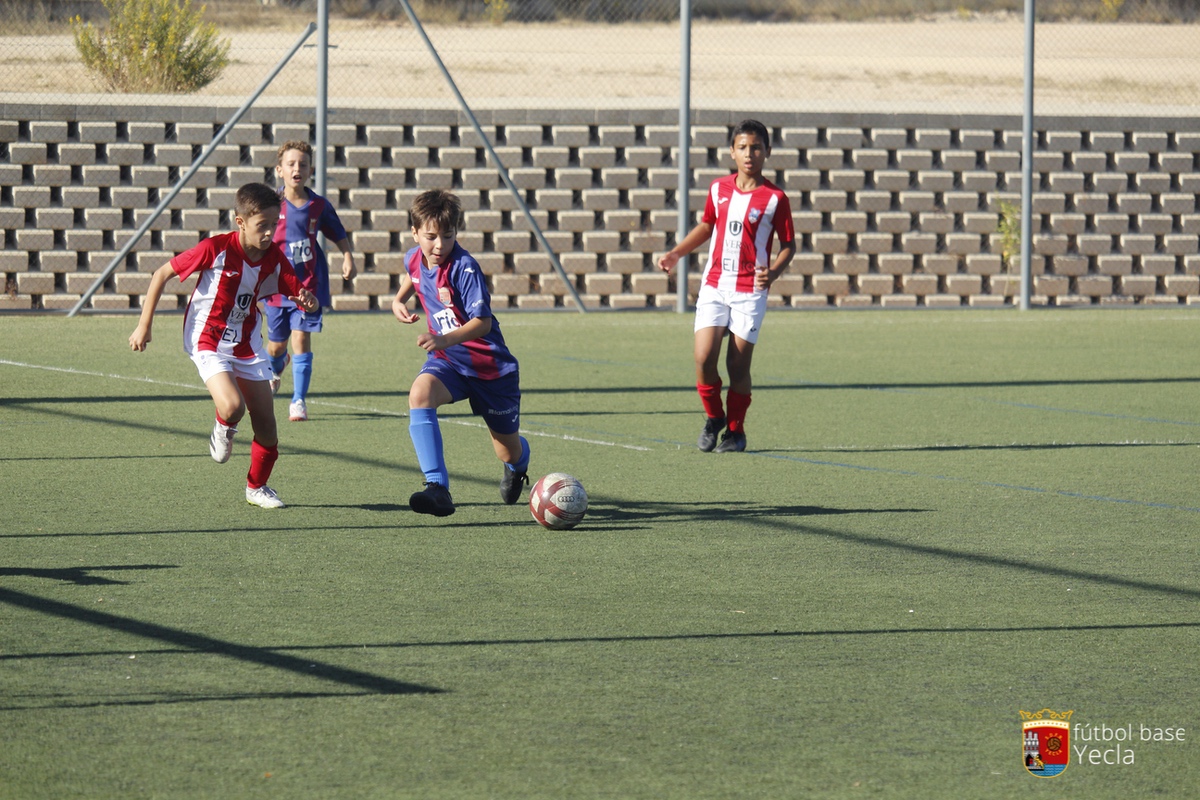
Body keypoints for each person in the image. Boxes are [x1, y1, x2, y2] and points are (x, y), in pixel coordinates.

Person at [129, 182, 319, 509]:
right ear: (240, 222)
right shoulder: (215, 248)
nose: (270, 233)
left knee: (267, 426)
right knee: (233, 407)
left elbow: (299, 293)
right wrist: (144, 325)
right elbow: (161, 274)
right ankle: (223, 426)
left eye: (274, 224)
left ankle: (256, 487)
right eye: (262, 225)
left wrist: (308, 301)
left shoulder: (274, 257)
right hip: (207, 339)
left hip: (246, 342)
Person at [657, 118, 796, 454]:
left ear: (767, 151)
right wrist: (677, 253)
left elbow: (789, 245)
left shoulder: (775, 198)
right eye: (743, 147)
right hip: (715, 285)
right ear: (732, 151)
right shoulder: (719, 189)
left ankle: (735, 432)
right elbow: (707, 225)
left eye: (756, 148)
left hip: (750, 291)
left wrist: (773, 273)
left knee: (737, 365)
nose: (750, 154)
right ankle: (714, 417)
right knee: (704, 357)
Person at [391, 189, 530, 517]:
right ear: (415, 233)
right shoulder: (414, 257)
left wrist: (443, 340)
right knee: (420, 394)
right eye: (431, 237)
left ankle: (518, 466)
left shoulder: (465, 268)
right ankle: (437, 487)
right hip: (449, 363)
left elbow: (482, 323)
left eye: (448, 235)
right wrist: (398, 300)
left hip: (490, 369)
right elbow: (413, 274)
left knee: (507, 451)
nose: (439, 245)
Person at [264, 140, 357, 422]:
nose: (297, 169)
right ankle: (277, 365)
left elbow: (336, 231)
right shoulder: (269, 204)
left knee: (301, 338)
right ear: (279, 170)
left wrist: (347, 256)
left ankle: (298, 400)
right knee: (276, 346)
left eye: (303, 164)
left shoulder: (318, 205)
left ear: (310, 170)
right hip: (276, 288)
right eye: (291, 164)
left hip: (307, 288)